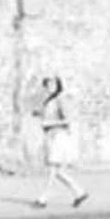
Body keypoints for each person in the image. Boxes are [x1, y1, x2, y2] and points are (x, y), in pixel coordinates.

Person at [33, 76, 87, 208]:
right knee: (58, 171)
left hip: (59, 136)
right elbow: (49, 116)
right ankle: (79, 192)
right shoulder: (49, 101)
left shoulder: (60, 100)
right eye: (46, 85)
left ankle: (43, 199)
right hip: (51, 136)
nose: (48, 88)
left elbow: (68, 120)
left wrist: (48, 122)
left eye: (51, 85)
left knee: (52, 169)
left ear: (57, 85)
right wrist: (39, 114)